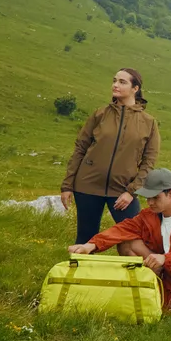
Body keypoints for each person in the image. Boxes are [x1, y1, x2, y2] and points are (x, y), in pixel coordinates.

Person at [68, 168, 171, 314]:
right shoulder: (150, 214)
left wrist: (166, 260)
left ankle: (158, 294)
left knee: (137, 247)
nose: (150, 202)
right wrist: (90, 245)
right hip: (163, 272)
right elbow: (123, 229)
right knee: (126, 242)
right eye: (147, 197)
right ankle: (147, 289)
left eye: (155, 197)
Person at [60, 68, 160, 254]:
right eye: (114, 80)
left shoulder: (148, 122)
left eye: (122, 82)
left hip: (123, 191)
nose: (115, 85)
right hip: (87, 186)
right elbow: (80, 149)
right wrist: (67, 185)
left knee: (134, 238)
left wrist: (131, 191)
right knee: (86, 240)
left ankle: (132, 280)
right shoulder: (100, 115)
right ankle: (82, 280)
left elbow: (149, 161)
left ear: (135, 88)